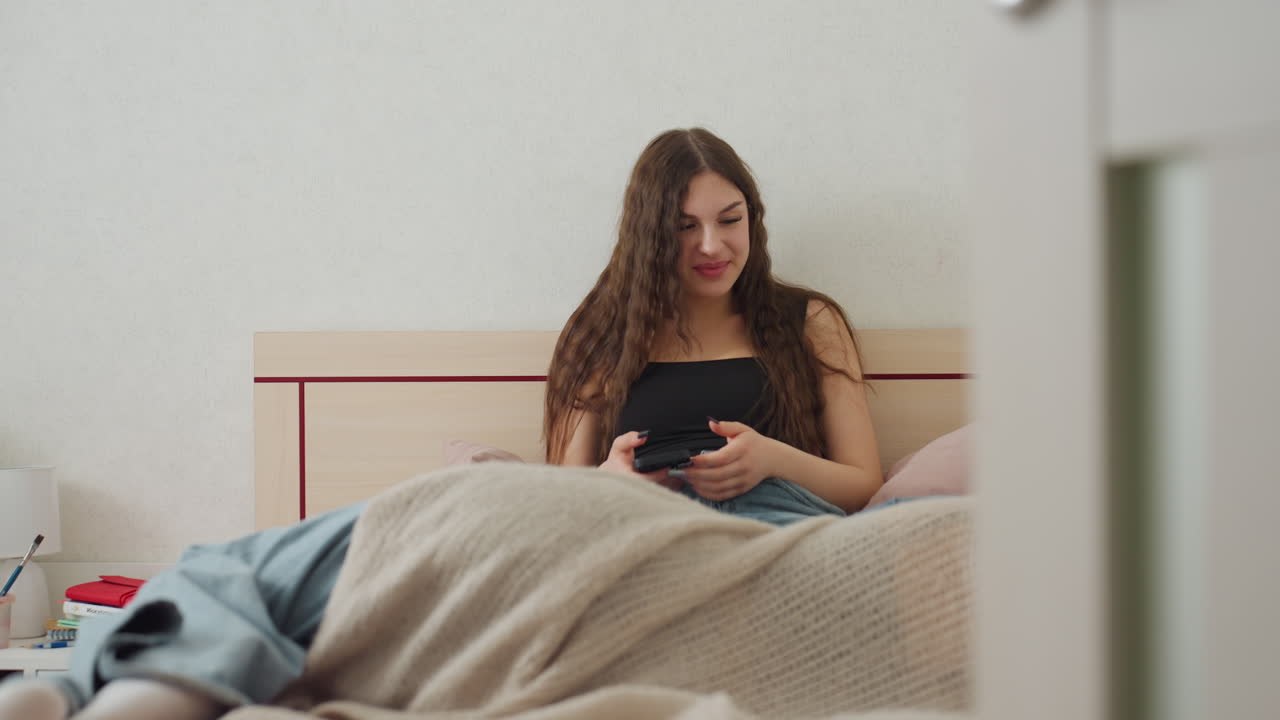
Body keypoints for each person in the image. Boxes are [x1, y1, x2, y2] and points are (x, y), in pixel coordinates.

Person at [544, 127, 882, 524]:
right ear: (649, 236)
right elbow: (560, 504)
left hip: (779, 531)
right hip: (652, 537)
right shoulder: (599, 333)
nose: (711, 245)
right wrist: (610, 483)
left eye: (730, 220)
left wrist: (772, 460)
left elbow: (864, 486)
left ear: (752, 220)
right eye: (685, 227)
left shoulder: (811, 323)